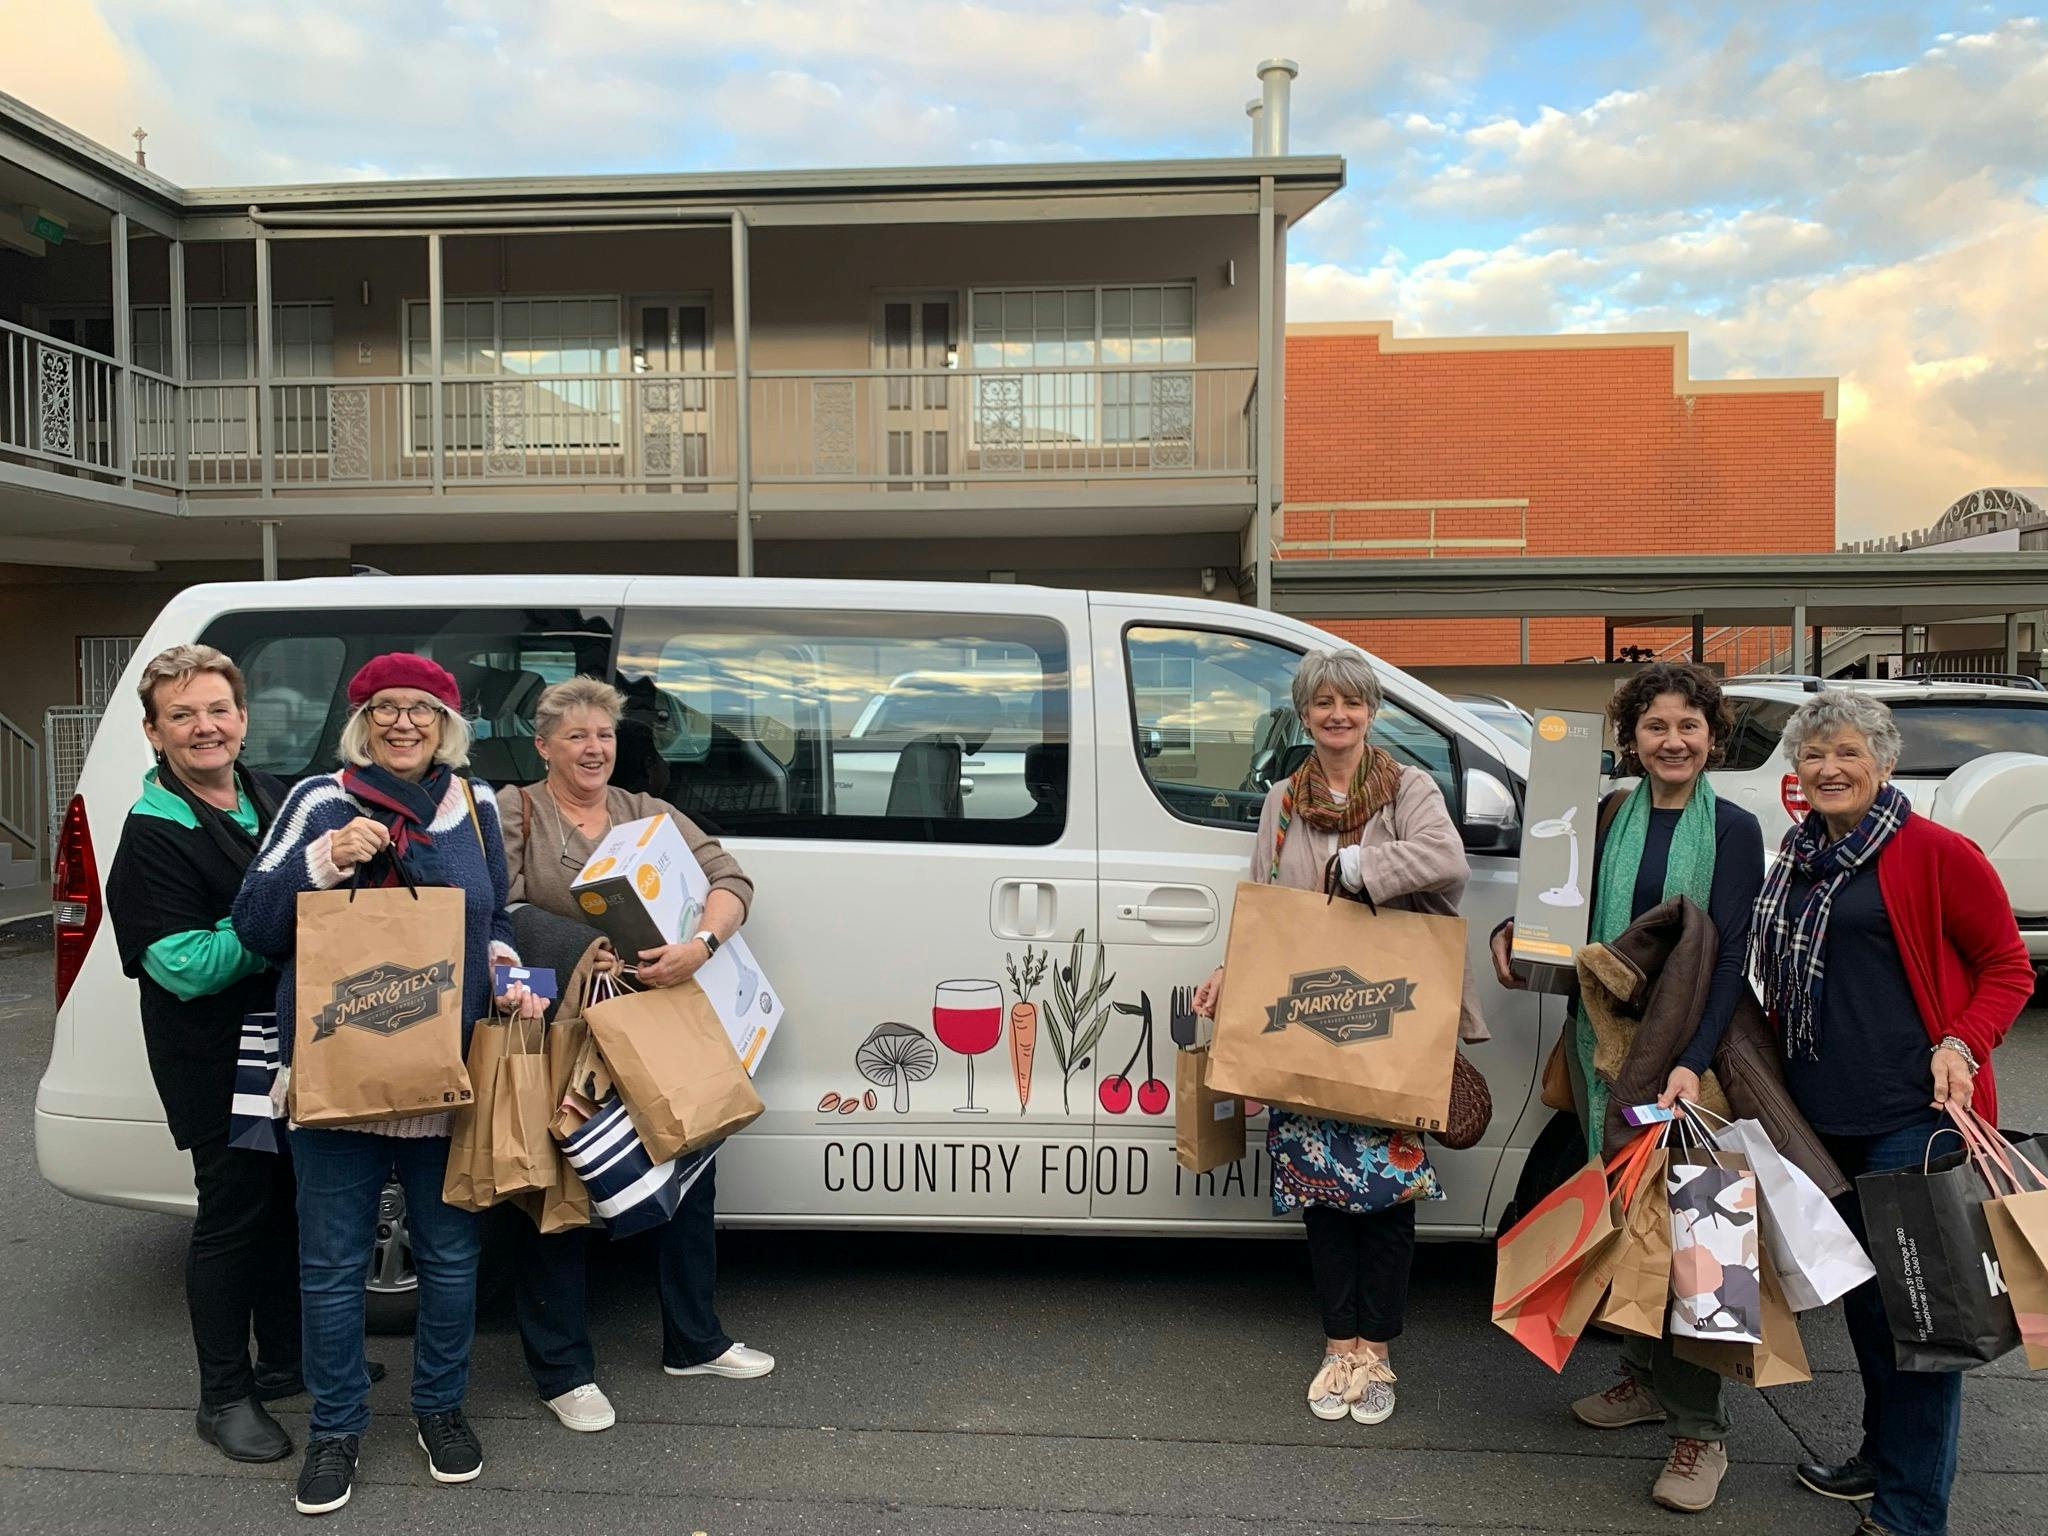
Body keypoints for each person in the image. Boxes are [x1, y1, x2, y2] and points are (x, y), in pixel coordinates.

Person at [233, 653, 541, 1517]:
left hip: (448, 1077)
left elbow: (497, 919)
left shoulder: (473, 805)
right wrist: (326, 861)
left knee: (450, 1261)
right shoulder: (319, 802)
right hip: (340, 1079)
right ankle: (337, 1427)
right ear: (361, 721)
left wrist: (512, 973)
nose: (403, 723)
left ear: (448, 724)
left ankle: (439, 1409)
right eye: (385, 708)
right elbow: (256, 924)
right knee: (331, 1270)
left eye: (421, 709)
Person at [1488, 661, 1765, 1514]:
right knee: (1624, 1226)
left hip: (1691, 1060)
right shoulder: (1602, 816)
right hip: (1607, 1052)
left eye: (1689, 725)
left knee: (1698, 1239)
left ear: (1712, 737)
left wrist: (1695, 1057)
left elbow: (1726, 959)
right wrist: (1515, 937)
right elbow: (1558, 915)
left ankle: (1700, 1433)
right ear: (1632, 739)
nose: (1673, 740)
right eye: (1656, 726)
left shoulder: (1740, 829)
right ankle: (1644, 1379)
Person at [1753, 690, 2031, 1536]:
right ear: (1796, 772)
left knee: (1926, 1321)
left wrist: (1961, 1042)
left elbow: (2008, 968)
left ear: (1883, 761)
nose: (1829, 768)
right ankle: (1883, 1459)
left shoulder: (1937, 853)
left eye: (1847, 753)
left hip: (1911, 1116)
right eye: (1813, 755)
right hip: (1821, 1117)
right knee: (1870, 1307)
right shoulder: (1797, 858)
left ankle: (1912, 1511)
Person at [1193, 648, 1487, 1429]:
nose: (1337, 715)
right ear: (1304, 713)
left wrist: (1363, 864)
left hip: (1390, 1017)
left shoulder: (1407, 787)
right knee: (1323, 1194)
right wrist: (1229, 974)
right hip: (1308, 1021)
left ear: (1371, 711)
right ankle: (1338, 1344)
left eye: (1351, 702)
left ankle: (1378, 1351)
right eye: (1322, 703)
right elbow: (1262, 901)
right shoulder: (1283, 800)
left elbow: (1447, 861)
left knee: (1388, 1198)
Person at [496, 677, 773, 1435]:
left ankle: (695, 1341)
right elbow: (490, 912)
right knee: (556, 1193)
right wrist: (578, 951)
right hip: (561, 1024)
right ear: (543, 744)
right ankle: (564, 1372)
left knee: (688, 1168)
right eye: (577, 736)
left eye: (605, 736)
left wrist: (700, 946)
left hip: (655, 1020)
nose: (594, 749)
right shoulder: (514, 810)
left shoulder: (645, 811)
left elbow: (731, 878)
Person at [104, 646, 302, 1463]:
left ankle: (288, 1363)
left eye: (218, 709)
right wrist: (279, 925)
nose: (204, 727)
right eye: (181, 715)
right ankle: (223, 1397)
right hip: (213, 1055)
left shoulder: (271, 796)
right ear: (154, 732)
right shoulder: (153, 833)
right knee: (232, 1216)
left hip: (290, 1044)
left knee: (289, 1200)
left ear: (243, 719)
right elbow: (182, 965)